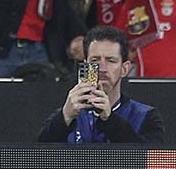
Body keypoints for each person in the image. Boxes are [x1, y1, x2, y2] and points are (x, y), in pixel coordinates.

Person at [37, 26, 165, 143]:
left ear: (124, 69)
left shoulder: (145, 116)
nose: (102, 68)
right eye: (95, 60)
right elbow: (38, 160)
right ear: (85, 65)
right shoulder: (68, 113)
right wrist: (64, 117)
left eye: (111, 60)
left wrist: (109, 119)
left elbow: (151, 163)